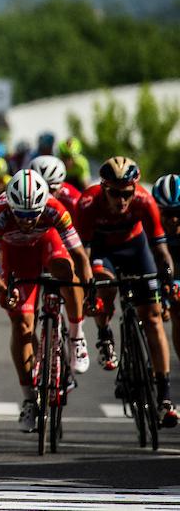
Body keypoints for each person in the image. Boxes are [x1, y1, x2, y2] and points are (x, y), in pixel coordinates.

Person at [0, 169, 91, 432]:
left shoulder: (54, 208)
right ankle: (30, 399)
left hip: (47, 244)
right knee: (22, 326)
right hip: (17, 256)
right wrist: (5, 291)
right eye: (22, 215)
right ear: (11, 205)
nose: (28, 222)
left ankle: (76, 336)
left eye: (33, 215)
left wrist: (88, 285)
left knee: (67, 269)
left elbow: (79, 256)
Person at [75, 157, 176, 427]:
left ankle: (165, 397)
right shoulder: (87, 203)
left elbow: (161, 251)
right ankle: (104, 334)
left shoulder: (144, 201)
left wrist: (166, 281)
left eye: (127, 194)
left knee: (153, 318)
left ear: (134, 189)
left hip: (135, 248)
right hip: (101, 251)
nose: (121, 200)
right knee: (103, 286)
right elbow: (82, 254)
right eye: (115, 194)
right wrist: (88, 288)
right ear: (103, 188)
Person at [151, 174, 180, 364]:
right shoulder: (150, 227)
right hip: (162, 276)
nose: (174, 219)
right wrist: (160, 300)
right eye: (167, 214)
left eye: (179, 212)